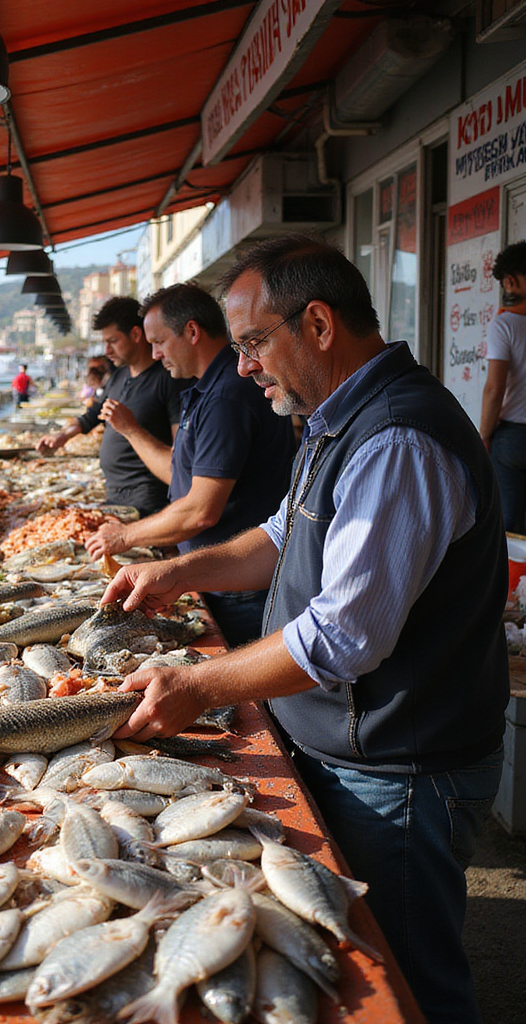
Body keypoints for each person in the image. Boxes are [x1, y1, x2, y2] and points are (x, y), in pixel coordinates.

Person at [102, 234, 508, 1024]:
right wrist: (179, 572)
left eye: (254, 341)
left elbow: (345, 636)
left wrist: (197, 684)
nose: (244, 365)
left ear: (317, 324)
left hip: (399, 772)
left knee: (406, 981)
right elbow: (285, 534)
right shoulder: (336, 418)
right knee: (359, 967)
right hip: (353, 752)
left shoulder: (396, 437)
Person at [84, 283, 295, 646]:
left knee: (248, 694)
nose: (154, 354)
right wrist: (132, 431)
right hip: (215, 575)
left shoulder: (227, 395)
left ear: (192, 332)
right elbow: (179, 475)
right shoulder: (206, 389)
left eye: (159, 342)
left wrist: (123, 537)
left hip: (239, 587)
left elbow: (201, 511)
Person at [36, 296, 188, 517]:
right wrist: (62, 436)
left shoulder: (169, 379)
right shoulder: (118, 376)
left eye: (113, 341)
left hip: (151, 503)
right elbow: (92, 415)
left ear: (136, 334)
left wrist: (130, 428)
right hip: (114, 496)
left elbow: (181, 460)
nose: (106, 350)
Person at [480, 240, 526, 532]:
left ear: (510, 281)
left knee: (509, 525)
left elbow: (495, 388)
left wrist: (484, 436)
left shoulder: (504, 324)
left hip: (513, 438)